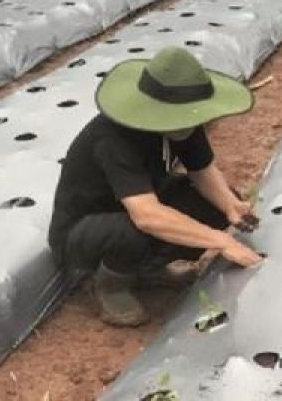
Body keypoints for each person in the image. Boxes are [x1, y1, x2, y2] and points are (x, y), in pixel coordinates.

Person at [48, 46, 262, 327]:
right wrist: (220, 241)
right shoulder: (113, 139)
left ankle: (149, 271)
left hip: (137, 206)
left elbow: (202, 171)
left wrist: (230, 206)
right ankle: (112, 285)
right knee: (134, 231)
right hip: (85, 231)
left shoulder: (186, 123)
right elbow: (146, 215)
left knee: (213, 206)